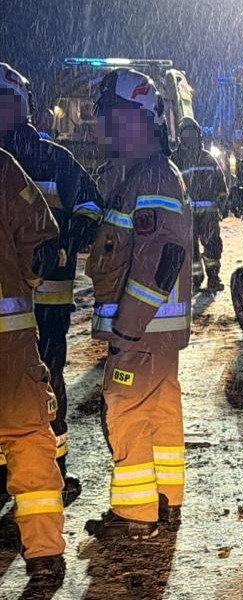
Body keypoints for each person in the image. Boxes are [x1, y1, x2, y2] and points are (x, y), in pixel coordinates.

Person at [83, 68, 191, 540]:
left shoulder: (149, 177)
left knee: (125, 409)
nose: (105, 126)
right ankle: (166, 500)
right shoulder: (149, 173)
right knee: (160, 409)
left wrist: (126, 329)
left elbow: (159, 260)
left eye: (111, 116)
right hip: (157, 335)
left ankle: (135, 514)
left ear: (138, 119)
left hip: (141, 332)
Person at [0, 64, 103, 501]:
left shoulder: (57, 159)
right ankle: (29, 469)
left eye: (10, 103)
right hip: (21, 304)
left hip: (43, 302)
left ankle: (52, 467)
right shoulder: (49, 159)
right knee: (25, 385)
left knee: (44, 381)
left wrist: (68, 242)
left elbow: (92, 206)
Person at [0, 146, 66, 582]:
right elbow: (42, 233)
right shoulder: (3, 166)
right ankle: (43, 552)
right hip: (8, 333)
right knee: (26, 434)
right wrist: (19, 275)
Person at [172, 117, 227, 292]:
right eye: (187, 134)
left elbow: (221, 184)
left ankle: (212, 278)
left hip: (205, 213)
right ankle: (195, 280)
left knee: (212, 245)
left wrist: (224, 204)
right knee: (190, 248)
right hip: (186, 213)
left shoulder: (206, 158)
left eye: (192, 133)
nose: (190, 137)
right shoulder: (176, 159)